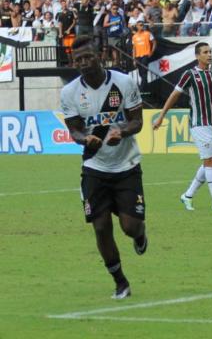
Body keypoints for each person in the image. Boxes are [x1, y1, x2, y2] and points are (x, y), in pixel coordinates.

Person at [60, 35, 148, 300]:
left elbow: (137, 122)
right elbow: (74, 130)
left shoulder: (123, 82)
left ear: (100, 55)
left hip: (126, 165)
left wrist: (122, 131)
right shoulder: (69, 93)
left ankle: (140, 235)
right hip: (94, 167)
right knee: (100, 227)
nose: (84, 63)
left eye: (88, 57)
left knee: (130, 226)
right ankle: (120, 282)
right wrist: (84, 138)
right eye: (79, 60)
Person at [153, 42, 212, 212]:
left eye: (210, 52)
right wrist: (161, 116)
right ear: (197, 56)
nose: (209, 54)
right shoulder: (189, 75)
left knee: (209, 161)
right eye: (205, 52)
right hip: (199, 124)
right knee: (210, 161)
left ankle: (187, 196)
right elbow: (174, 95)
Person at [132, 20, 156, 93]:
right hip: (138, 56)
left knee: (144, 72)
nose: (141, 26)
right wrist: (133, 59)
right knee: (141, 73)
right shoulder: (134, 36)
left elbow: (154, 42)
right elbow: (134, 48)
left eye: (142, 25)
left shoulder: (148, 33)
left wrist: (151, 52)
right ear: (136, 26)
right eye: (140, 25)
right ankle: (145, 87)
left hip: (145, 55)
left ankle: (142, 89)